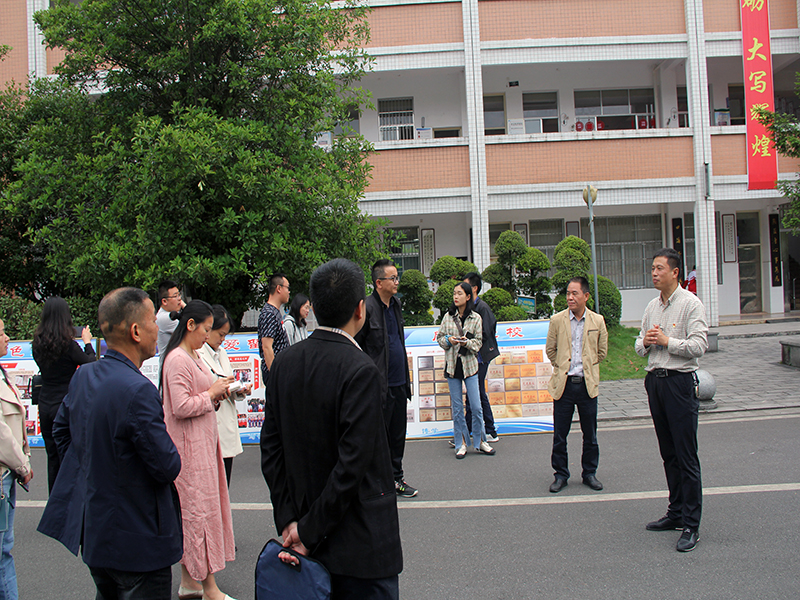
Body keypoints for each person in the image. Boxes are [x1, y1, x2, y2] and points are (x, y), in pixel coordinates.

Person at [261, 258, 403, 600]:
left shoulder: (284, 364)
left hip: (301, 534)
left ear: (313, 306)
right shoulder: (361, 370)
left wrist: (290, 521)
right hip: (359, 546)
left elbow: (271, 448)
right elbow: (352, 464)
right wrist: (308, 531)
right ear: (360, 309)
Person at [37, 288, 181, 600]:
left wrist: (93, 471)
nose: (157, 328)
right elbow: (166, 465)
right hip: (139, 539)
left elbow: (61, 432)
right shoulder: (138, 390)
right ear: (135, 331)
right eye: (152, 321)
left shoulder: (84, 376)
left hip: (96, 532)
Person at [160, 300, 237, 600]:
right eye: (206, 329)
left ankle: (189, 582)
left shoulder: (190, 355)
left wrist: (214, 394)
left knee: (196, 514)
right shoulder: (178, 359)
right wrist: (211, 394)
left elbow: (197, 396)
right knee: (198, 515)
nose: (208, 335)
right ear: (190, 325)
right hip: (189, 451)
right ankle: (209, 588)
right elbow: (180, 406)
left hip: (201, 446)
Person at [635, 248, 708, 553]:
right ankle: (675, 512)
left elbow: (699, 345)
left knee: (686, 455)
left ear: (675, 272)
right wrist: (646, 342)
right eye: (652, 268)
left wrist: (668, 342)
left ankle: (691, 524)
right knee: (668, 453)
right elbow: (639, 345)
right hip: (656, 383)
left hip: (679, 383)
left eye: (659, 268)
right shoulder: (652, 306)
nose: (654, 273)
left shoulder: (691, 304)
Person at [354, 259, 417, 497]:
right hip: (379, 386)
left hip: (399, 381)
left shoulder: (397, 305)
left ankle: (396, 479)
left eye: (397, 277)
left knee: (397, 435)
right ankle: (376, 483)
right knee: (377, 437)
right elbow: (356, 346)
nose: (397, 282)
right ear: (379, 282)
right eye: (393, 278)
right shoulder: (367, 308)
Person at [545, 277, 608, 494]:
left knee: (590, 434)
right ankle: (560, 474)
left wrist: (587, 366)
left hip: (586, 385)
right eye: (568, 293)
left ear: (586, 296)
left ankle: (589, 473)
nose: (570, 297)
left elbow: (602, 351)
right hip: (564, 385)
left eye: (575, 293)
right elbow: (550, 350)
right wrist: (563, 365)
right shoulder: (557, 320)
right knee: (560, 435)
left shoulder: (597, 320)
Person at [32, 296, 96, 492]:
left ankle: (54, 500)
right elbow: (90, 364)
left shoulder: (37, 343)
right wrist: (87, 343)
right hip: (66, 404)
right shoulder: (68, 345)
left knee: (52, 457)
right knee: (69, 456)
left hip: (45, 403)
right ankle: (69, 501)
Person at [436, 282, 495, 458]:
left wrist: (466, 342)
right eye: (454, 293)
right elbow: (440, 339)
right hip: (453, 367)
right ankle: (461, 443)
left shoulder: (476, 318)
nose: (456, 297)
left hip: (470, 367)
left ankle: (481, 441)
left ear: (468, 297)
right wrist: (449, 340)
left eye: (460, 293)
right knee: (457, 409)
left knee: (476, 407)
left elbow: (478, 343)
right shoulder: (448, 316)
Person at [0, 318, 33, 600]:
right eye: (2, 333)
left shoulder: (3, 374)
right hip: (4, 471)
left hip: (8, 472)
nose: (7, 337)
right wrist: (22, 465)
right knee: (2, 553)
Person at [198, 305, 249, 488]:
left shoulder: (222, 353)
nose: (222, 339)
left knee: (224, 485)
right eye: (220, 334)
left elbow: (227, 382)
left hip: (226, 426)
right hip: (210, 426)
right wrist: (219, 389)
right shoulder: (197, 354)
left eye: (225, 335)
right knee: (211, 487)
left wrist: (239, 390)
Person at [463, 272, 501, 443]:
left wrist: (466, 338)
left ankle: (486, 431)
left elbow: (486, 332)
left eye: (465, 286)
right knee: (476, 392)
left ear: (474, 288)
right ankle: (475, 431)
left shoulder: (482, 307)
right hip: (472, 356)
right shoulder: (469, 306)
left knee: (476, 392)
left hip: (481, 356)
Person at [258, 274, 290, 387]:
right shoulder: (269, 313)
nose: (289, 292)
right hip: (276, 375)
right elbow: (267, 347)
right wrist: (275, 376)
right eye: (287, 288)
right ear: (279, 288)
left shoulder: (274, 312)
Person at [156, 279, 185, 354]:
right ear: (164, 301)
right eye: (175, 296)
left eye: (179, 295)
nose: (179, 299)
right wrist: (185, 306)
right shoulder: (166, 318)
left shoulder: (172, 312)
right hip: (171, 360)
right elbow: (192, 331)